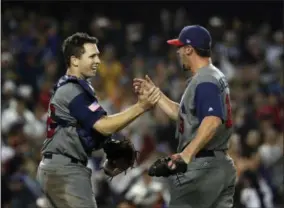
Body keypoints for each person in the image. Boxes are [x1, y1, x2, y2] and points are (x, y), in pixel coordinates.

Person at [36, 32, 160, 208]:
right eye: (92, 56)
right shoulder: (72, 91)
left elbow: (100, 127)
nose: (98, 61)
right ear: (75, 60)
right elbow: (103, 126)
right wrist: (141, 107)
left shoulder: (80, 90)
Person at [134, 25, 237, 208]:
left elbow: (212, 121)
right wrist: (156, 95)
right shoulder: (212, 76)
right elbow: (186, 116)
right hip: (218, 163)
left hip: (203, 165)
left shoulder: (205, 80)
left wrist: (187, 154)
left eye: (180, 47)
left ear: (189, 49)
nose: (178, 52)